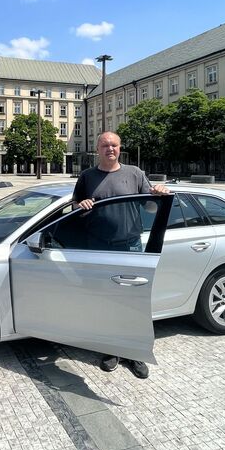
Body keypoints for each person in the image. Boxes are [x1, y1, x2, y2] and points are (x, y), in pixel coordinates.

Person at [73, 131, 170, 378]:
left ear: (120, 148)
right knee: (105, 301)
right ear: (97, 149)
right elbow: (74, 207)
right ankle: (110, 349)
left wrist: (157, 192)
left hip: (130, 247)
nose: (110, 149)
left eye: (114, 145)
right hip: (99, 248)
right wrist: (80, 206)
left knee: (132, 302)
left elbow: (149, 204)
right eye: (105, 145)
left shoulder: (135, 173)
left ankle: (135, 353)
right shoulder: (87, 177)